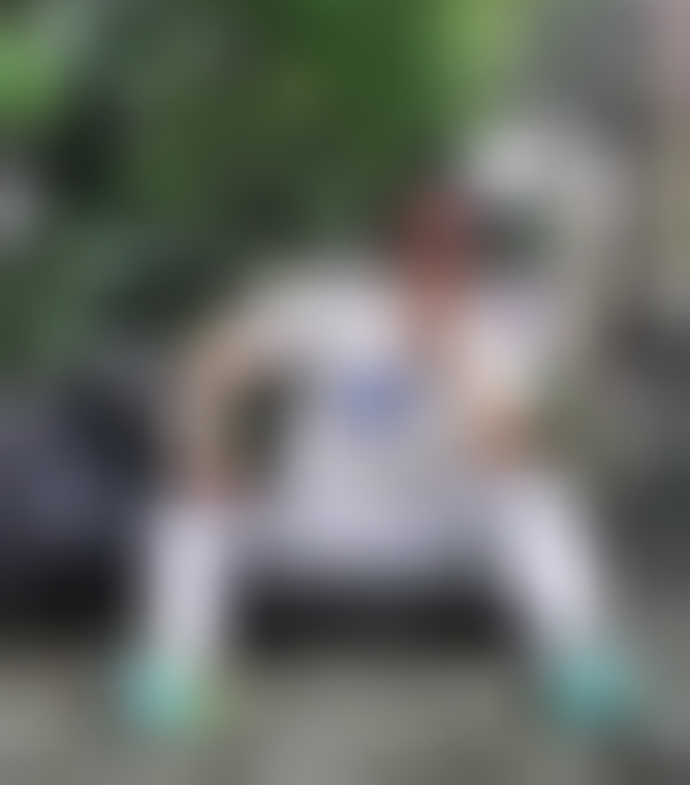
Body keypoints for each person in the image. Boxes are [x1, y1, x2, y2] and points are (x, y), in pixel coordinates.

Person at [117, 167, 637, 738]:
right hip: (321, 524)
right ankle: (176, 673)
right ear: (393, 239)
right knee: (191, 509)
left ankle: (580, 665)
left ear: (479, 246)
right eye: (422, 234)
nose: (438, 251)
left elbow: (508, 446)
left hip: (436, 539)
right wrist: (203, 447)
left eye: (456, 237)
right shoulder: (331, 299)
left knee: (536, 495)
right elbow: (208, 364)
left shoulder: (508, 321)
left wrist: (450, 352)